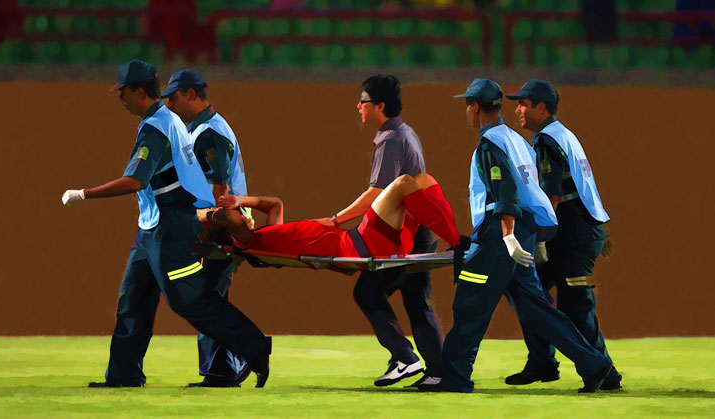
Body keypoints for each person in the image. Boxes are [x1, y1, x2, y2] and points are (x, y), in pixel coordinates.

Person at [61, 59, 271, 388]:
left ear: (139, 92)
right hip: (152, 227)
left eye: (123, 92)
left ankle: (255, 347)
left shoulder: (157, 127)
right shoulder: (167, 120)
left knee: (189, 299)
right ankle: (124, 374)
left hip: (171, 226)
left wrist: (83, 194)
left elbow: (134, 180)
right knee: (134, 299)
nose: (120, 98)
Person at [418, 78, 613, 393]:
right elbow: (532, 189)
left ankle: (455, 378)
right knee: (537, 308)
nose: (467, 113)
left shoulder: (489, 145)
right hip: (522, 230)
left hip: (500, 233)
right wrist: (529, 237)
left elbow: (506, 191)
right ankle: (595, 365)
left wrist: (507, 236)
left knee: (471, 301)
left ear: (476, 108)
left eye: (467, 106)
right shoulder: (518, 140)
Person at [312, 74, 444, 387]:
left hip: (408, 233)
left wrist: (336, 219)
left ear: (380, 106)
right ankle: (438, 371)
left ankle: (404, 357)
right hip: (421, 228)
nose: (358, 106)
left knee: (368, 291)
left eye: (364, 101)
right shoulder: (404, 132)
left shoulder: (391, 140)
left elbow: (377, 193)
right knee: (416, 298)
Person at [505, 79, 621, 390]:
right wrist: (599, 227)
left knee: (574, 304)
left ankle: (604, 373)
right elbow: (583, 185)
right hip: (581, 228)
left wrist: (541, 238)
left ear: (541, 107)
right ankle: (542, 361)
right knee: (533, 295)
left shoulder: (546, 141)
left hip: (569, 234)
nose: (518, 110)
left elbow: (552, 196)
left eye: (523, 104)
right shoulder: (564, 134)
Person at [161, 69, 252, 388]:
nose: (169, 104)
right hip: (218, 224)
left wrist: (204, 230)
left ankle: (231, 364)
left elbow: (219, 194)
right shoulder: (203, 128)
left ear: (189, 94)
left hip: (219, 227)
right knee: (210, 297)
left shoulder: (208, 133)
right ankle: (229, 364)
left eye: (173, 97)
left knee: (206, 298)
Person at [201, 173, 466, 263]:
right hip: (360, 246)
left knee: (423, 179)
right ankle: (455, 240)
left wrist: (241, 200)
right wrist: (205, 214)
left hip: (381, 243)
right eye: (243, 216)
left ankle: (455, 237)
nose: (247, 217)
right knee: (405, 183)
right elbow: (227, 218)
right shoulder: (250, 242)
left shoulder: (270, 236)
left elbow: (275, 204)